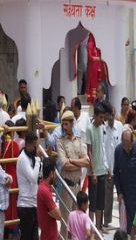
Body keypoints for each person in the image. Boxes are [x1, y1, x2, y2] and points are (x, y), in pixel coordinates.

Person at [57, 110, 90, 239]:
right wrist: (78, 163)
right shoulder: (60, 141)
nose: (64, 127)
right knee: (66, 223)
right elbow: (65, 165)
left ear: (72, 124)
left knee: (77, 223)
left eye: (66, 124)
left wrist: (73, 160)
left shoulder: (78, 139)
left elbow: (87, 161)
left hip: (77, 186)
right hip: (67, 186)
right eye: (63, 124)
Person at [86, 102, 108, 230]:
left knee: (101, 202)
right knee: (92, 203)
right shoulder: (90, 129)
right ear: (95, 116)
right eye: (100, 117)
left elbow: (102, 148)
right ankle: (90, 228)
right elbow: (89, 151)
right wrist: (93, 172)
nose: (102, 119)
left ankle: (98, 228)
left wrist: (107, 167)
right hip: (93, 172)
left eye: (103, 117)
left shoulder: (101, 127)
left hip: (102, 170)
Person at [17, 132, 41, 240]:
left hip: (33, 204)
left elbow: (38, 176)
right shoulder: (23, 159)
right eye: (34, 145)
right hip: (25, 205)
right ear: (28, 144)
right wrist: (38, 160)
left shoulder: (31, 158)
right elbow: (33, 178)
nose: (36, 148)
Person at [104, 103, 123, 229]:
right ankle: (106, 221)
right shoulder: (102, 128)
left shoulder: (120, 126)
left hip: (120, 168)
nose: (111, 117)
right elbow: (103, 149)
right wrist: (107, 168)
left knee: (122, 195)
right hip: (107, 168)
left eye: (112, 114)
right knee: (107, 196)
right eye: (109, 115)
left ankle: (123, 222)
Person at [36, 157, 61, 240]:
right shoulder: (44, 191)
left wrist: (52, 212)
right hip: (48, 236)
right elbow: (58, 215)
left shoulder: (43, 187)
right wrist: (53, 212)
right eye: (54, 172)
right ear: (51, 173)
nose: (55, 175)